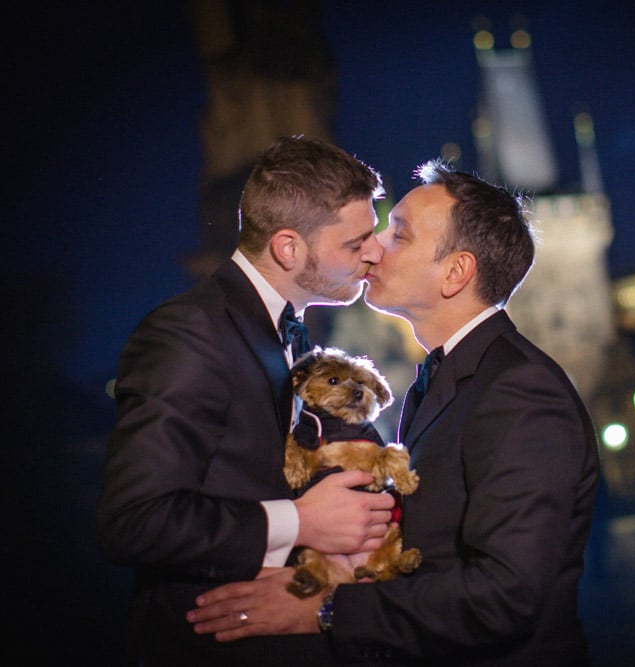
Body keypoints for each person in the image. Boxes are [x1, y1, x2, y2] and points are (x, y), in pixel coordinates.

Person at [187, 160, 602, 665]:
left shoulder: (519, 389)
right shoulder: (454, 376)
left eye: (398, 235)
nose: (374, 246)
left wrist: (327, 610)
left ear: (456, 272)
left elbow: (505, 595)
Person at [96, 136, 397, 666]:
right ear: (288, 248)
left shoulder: (286, 334)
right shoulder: (190, 332)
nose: (375, 251)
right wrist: (299, 523)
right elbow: (134, 521)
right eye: (355, 242)